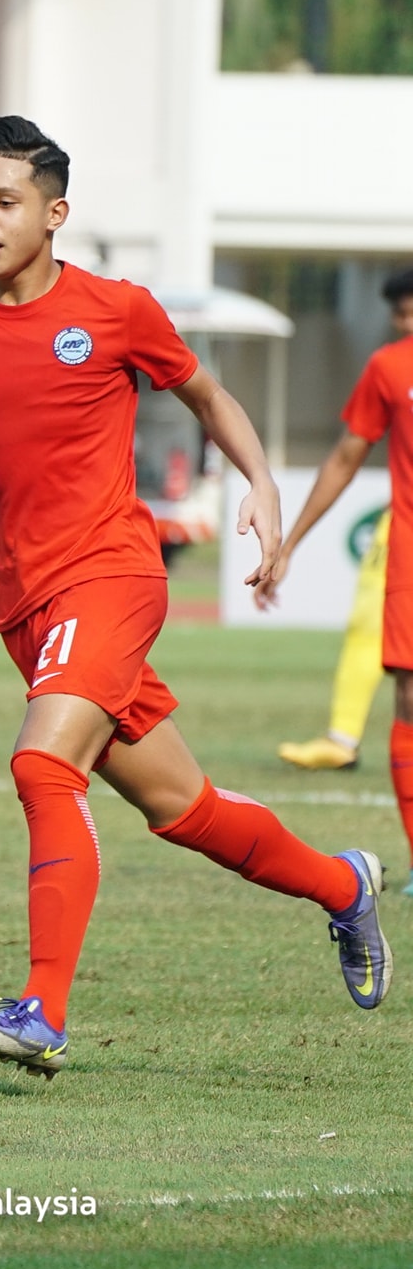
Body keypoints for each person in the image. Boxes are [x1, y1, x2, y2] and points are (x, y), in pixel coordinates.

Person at [0, 116, 389, 1078]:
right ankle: (341, 883)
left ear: (54, 214)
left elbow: (209, 397)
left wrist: (263, 484)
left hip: (110, 573)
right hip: (27, 607)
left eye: (5, 202)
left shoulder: (114, 309)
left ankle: (42, 1012)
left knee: (41, 768)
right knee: (184, 809)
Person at [265, 268, 413, 892]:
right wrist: (290, 542)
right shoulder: (388, 368)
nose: (408, 327)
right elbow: (346, 457)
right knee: (408, 699)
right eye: (401, 317)